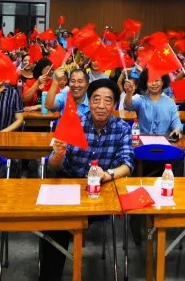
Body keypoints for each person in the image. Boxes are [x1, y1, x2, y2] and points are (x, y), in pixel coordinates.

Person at [39, 79, 134, 281]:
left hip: (102, 190)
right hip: (70, 186)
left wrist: (108, 174)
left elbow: (127, 163)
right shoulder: (73, 123)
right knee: (53, 223)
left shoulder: (122, 128)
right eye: (96, 99)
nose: (101, 106)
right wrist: (57, 154)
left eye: (107, 101)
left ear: (115, 105)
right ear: (89, 102)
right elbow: (53, 166)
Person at [123, 70, 182, 139]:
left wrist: (176, 130)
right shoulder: (140, 100)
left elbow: (176, 122)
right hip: (143, 143)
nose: (154, 84)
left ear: (162, 82)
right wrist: (129, 93)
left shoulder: (170, 102)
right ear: (146, 83)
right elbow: (128, 106)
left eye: (157, 80)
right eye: (150, 81)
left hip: (165, 143)